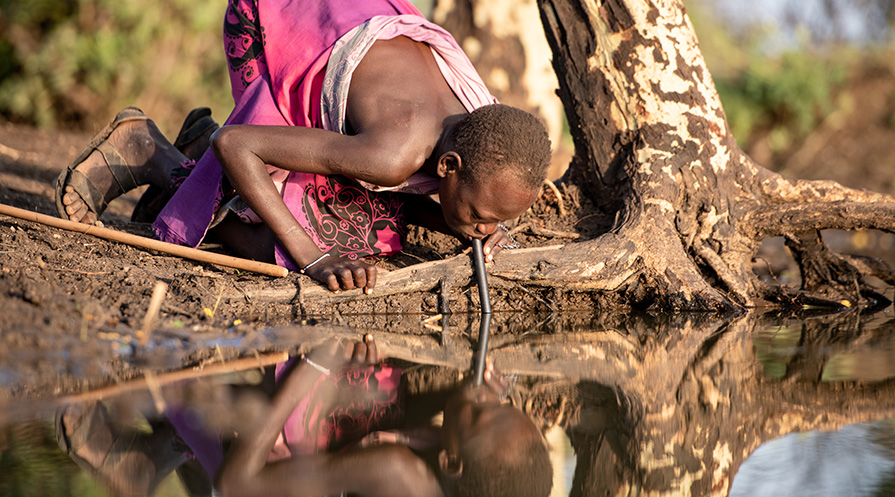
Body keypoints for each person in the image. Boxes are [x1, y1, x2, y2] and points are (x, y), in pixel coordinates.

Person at [54, 0, 552, 294]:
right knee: (299, 242)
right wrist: (313, 258)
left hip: (341, 15)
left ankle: (195, 158)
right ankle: (149, 152)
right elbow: (239, 143)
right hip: (268, 21)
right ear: (448, 165)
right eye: (485, 216)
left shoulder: (480, 119)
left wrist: (471, 228)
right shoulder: (392, 154)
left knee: (354, 213)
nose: (491, 229)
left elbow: (409, 198)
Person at [56, 336, 554, 497]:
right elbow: (424, 418)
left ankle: (155, 431)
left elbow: (239, 485)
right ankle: (155, 455)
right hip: (308, 472)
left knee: (269, 384)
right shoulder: (451, 468)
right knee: (371, 387)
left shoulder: (400, 474)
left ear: (451, 462)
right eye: (503, 400)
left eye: (486, 414)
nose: (489, 397)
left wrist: (314, 367)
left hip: (253, 485)